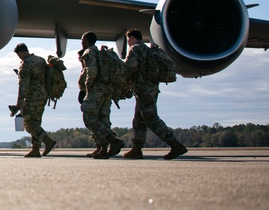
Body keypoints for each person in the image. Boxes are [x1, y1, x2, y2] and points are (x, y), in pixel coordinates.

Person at [123, 29, 188, 160]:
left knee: (151, 118)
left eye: (128, 39)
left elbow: (130, 67)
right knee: (139, 119)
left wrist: (122, 78)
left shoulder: (135, 49)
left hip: (143, 90)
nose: (128, 42)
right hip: (152, 88)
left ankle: (174, 144)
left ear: (132, 38)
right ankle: (137, 149)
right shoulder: (149, 50)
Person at [78, 32, 123, 159]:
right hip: (107, 89)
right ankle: (103, 150)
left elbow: (91, 71)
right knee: (103, 118)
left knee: (89, 116)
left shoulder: (89, 52)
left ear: (86, 40)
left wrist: (87, 87)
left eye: (82, 39)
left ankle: (113, 140)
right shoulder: (100, 53)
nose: (81, 42)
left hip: (96, 89)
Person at [14, 43, 58, 157]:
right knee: (36, 122)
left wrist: (18, 104)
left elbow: (23, 86)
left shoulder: (26, 64)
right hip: (43, 96)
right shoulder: (40, 60)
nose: (19, 57)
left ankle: (48, 141)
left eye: (18, 55)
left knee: (28, 123)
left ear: (21, 52)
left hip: (32, 97)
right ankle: (35, 149)